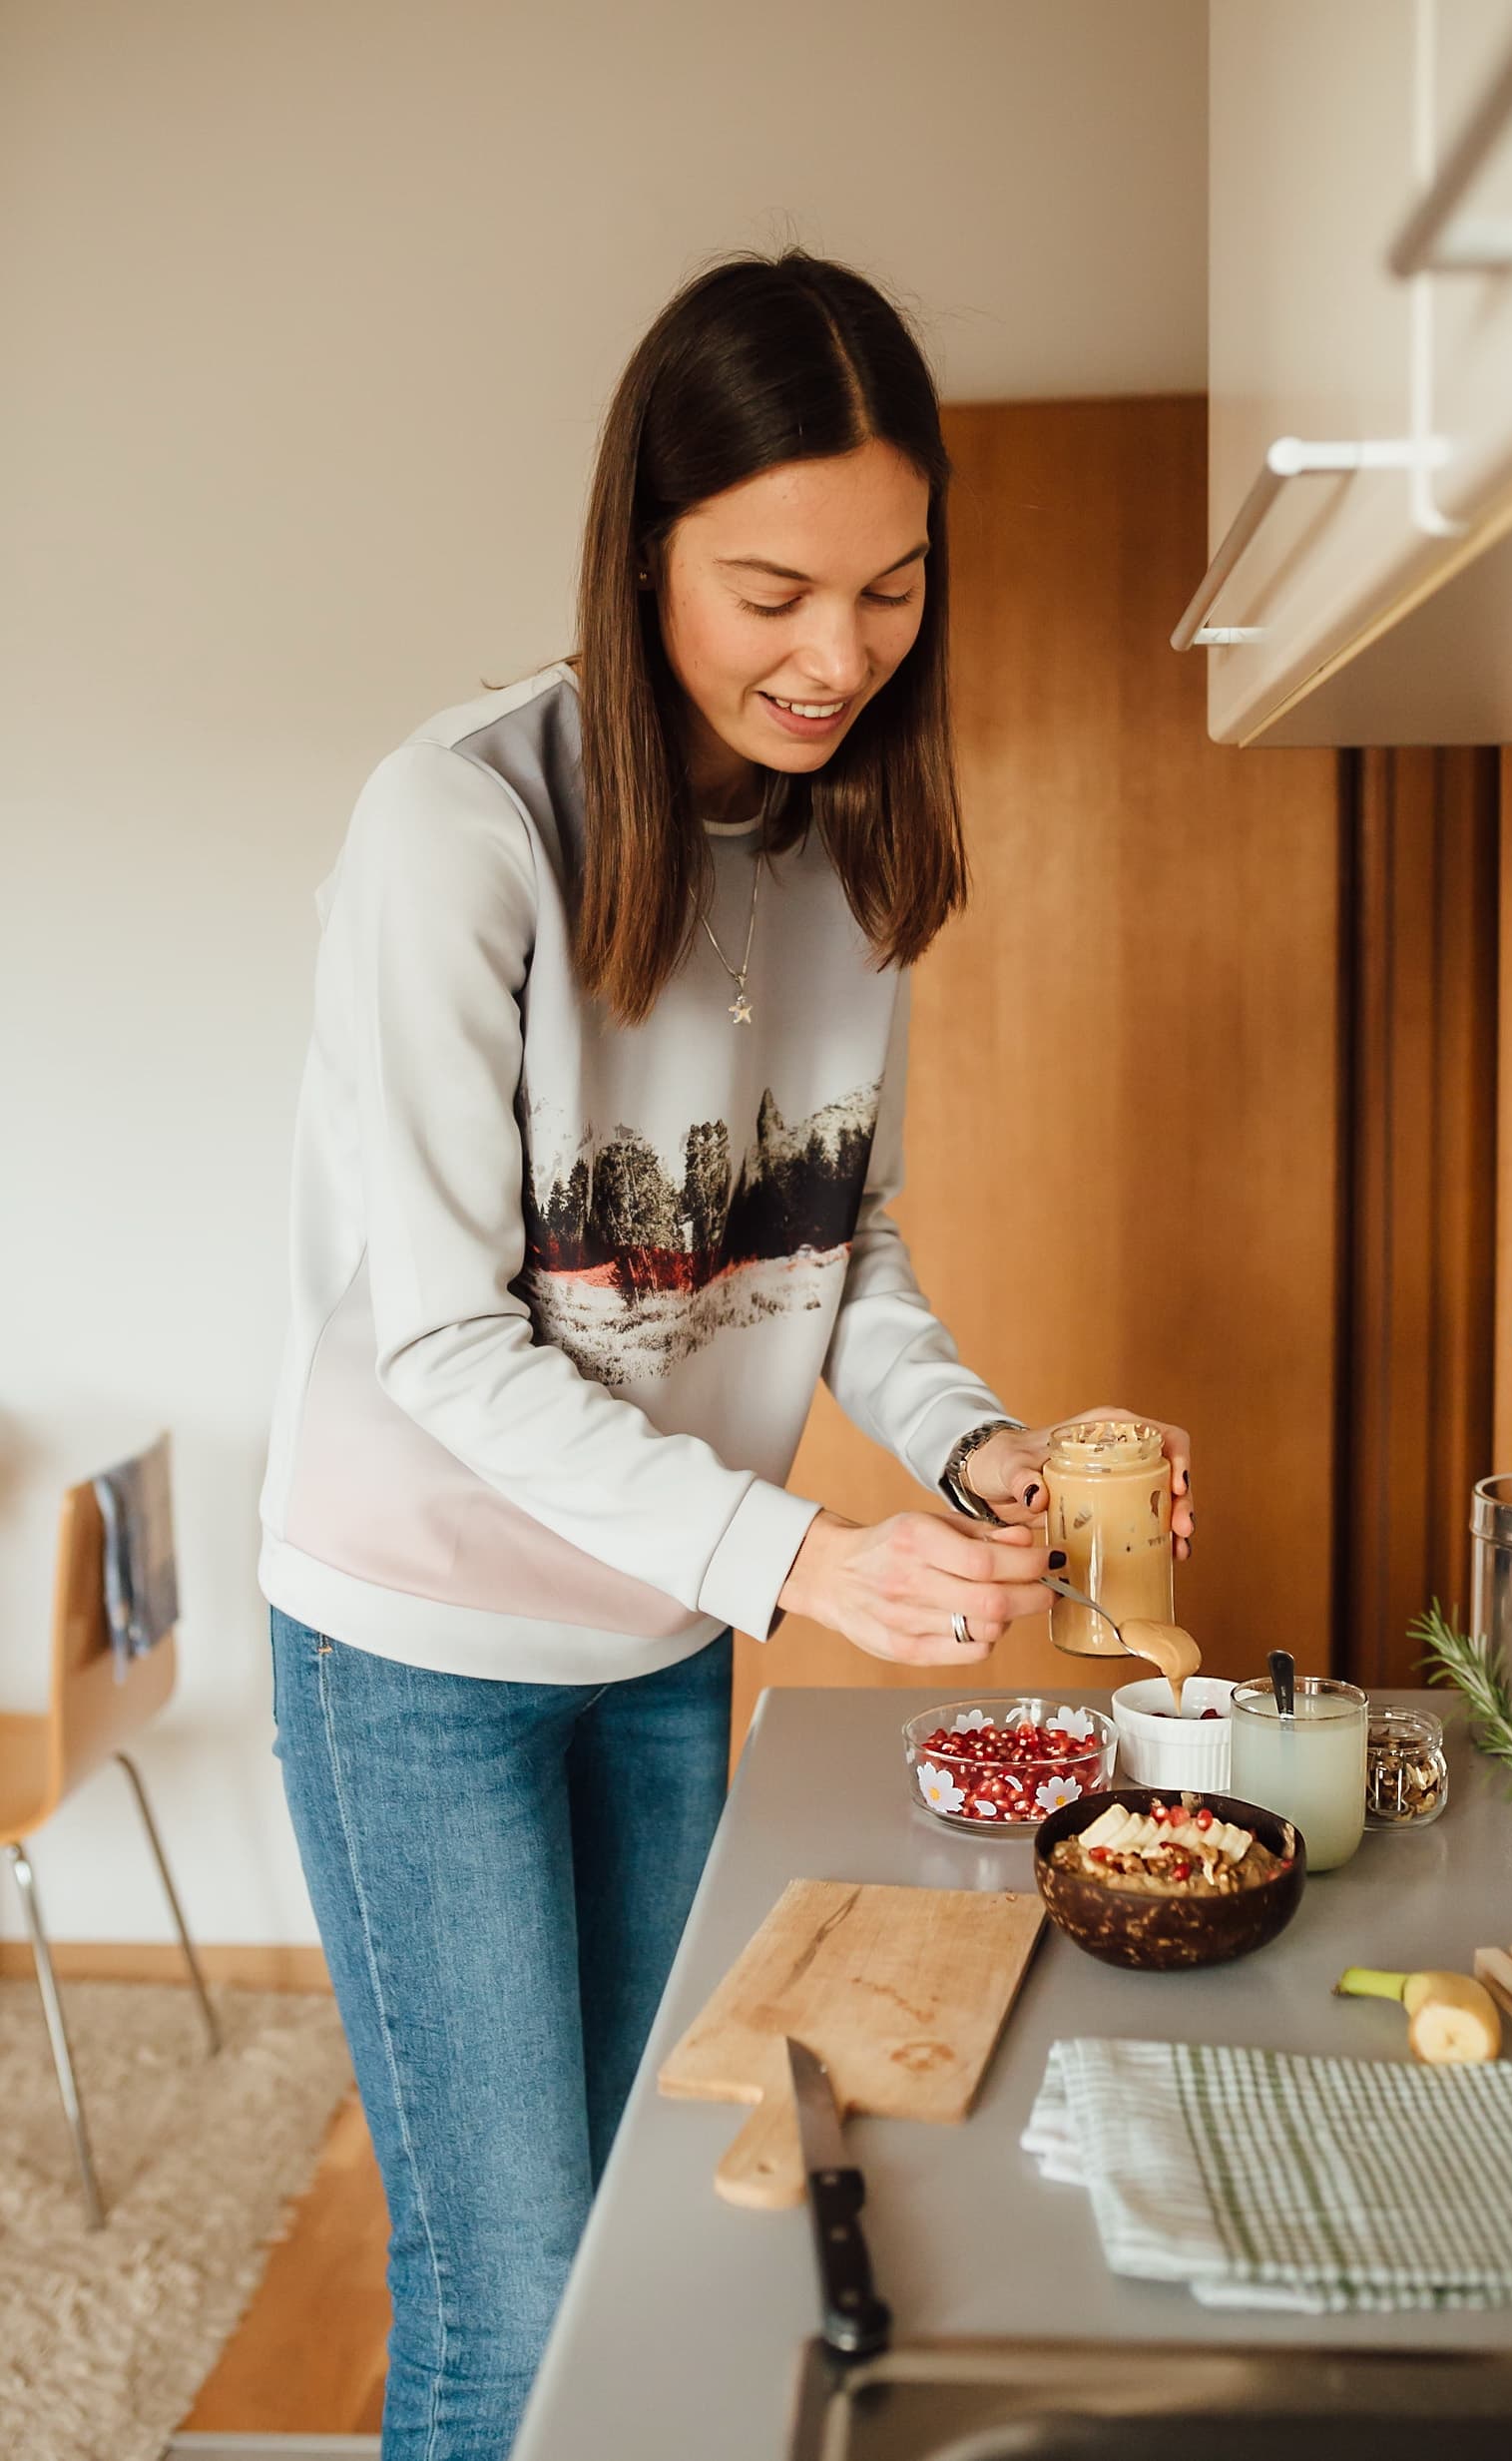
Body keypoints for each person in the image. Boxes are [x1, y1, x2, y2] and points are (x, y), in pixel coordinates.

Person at [258, 249, 1193, 2461]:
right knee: (507, 2303)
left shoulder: (848, 836)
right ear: (644, 547)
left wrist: (971, 1454)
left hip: (664, 1630)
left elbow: (829, 1236)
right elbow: (446, 1340)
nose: (836, 655)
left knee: (657, 2243)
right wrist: (801, 1555)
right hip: (418, 1651)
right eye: (773, 589)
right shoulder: (462, 827)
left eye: (891, 593)